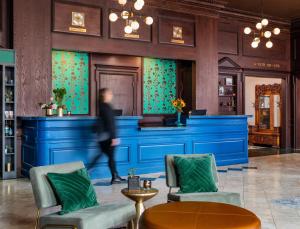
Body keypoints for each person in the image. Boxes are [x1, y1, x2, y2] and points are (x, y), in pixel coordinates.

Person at [88, 88, 126, 184]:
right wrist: (114, 137)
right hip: (108, 137)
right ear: (105, 95)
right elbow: (110, 123)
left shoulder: (102, 106)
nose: (111, 95)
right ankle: (115, 177)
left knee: (104, 155)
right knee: (111, 157)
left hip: (102, 137)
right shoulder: (106, 107)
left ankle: (114, 175)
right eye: (109, 93)